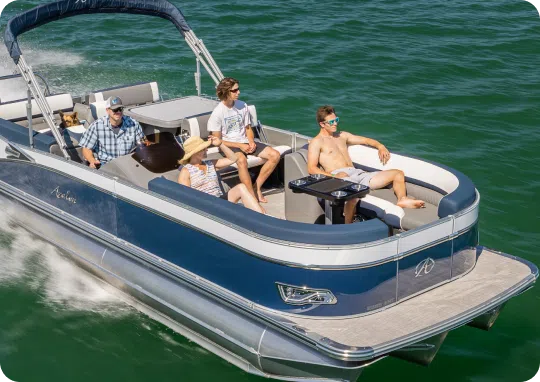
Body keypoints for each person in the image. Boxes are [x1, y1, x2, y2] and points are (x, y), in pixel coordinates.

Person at [307, 105, 425, 224]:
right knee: (354, 196)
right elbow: (311, 168)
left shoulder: (342, 135)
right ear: (322, 124)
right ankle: (348, 226)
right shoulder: (316, 142)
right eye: (331, 122)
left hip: (359, 174)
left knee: (397, 174)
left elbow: (366, 140)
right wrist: (333, 176)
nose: (335, 124)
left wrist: (380, 146)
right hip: (339, 175)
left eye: (336, 120)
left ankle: (402, 199)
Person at [207, 77, 280, 203]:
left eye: (238, 89)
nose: (238, 92)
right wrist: (239, 145)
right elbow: (217, 140)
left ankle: (256, 187)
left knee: (275, 155)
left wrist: (251, 141)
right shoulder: (217, 113)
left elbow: (248, 129)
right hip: (228, 145)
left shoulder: (242, 106)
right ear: (226, 92)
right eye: (234, 90)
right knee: (241, 160)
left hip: (245, 141)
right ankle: (251, 196)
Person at [177, 135, 265, 214]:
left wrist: (220, 144)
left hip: (219, 201)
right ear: (195, 152)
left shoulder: (210, 163)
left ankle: (262, 217)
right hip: (205, 206)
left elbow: (233, 159)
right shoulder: (186, 171)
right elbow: (186, 197)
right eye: (203, 149)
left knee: (241, 187)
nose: (206, 150)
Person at [79, 96, 146, 168]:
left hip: (128, 164)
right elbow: (86, 148)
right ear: (107, 110)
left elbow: (142, 145)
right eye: (115, 110)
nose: (118, 112)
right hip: (106, 165)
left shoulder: (133, 124)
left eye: (120, 109)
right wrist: (92, 161)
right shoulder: (97, 126)